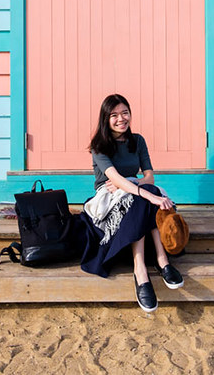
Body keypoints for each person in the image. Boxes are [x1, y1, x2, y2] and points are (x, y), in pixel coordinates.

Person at [79, 94, 183, 313]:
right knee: (148, 197)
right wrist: (141, 190)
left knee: (146, 193)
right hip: (107, 196)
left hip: (134, 189)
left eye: (125, 113)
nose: (121, 119)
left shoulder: (138, 140)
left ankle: (155, 263)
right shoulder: (99, 145)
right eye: (114, 115)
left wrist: (133, 185)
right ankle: (148, 266)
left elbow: (149, 176)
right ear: (105, 118)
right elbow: (112, 179)